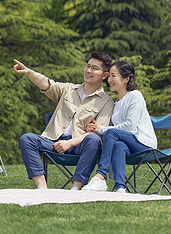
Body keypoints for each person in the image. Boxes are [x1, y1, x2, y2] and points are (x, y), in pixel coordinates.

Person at [15, 52, 114, 190]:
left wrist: (69, 143)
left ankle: (76, 188)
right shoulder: (69, 89)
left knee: (94, 140)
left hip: (78, 146)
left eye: (95, 68)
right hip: (52, 142)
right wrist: (28, 72)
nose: (89, 71)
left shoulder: (106, 102)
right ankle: (42, 188)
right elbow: (47, 84)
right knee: (27, 139)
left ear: (105, 75)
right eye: (88, 66)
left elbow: (98, 133)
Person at [82, 60, 157, 193]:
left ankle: (100, 176)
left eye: (113, 75)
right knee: (118, 145)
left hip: (144, 143)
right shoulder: (116, 103)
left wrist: (103, 129)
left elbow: (130, 127)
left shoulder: (135, 96)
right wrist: (95, 128)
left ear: (126, 79)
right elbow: (114, 132)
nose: (109, 79)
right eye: (109, 76)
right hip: (128, 145)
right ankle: (120, 187)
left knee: (112, 133)